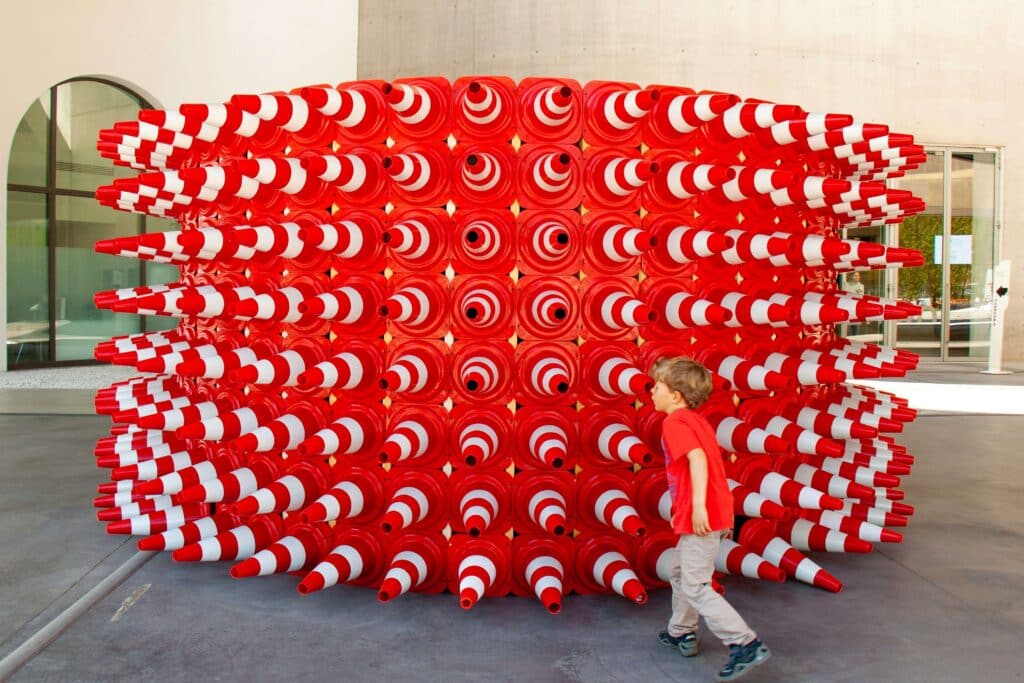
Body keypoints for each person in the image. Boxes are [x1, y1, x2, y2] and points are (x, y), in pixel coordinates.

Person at [650, 356, 771, 682]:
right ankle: (681, 631)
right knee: (679, 570)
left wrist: (698, 507)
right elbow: (711, 467)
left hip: (700, 518)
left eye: (657, 387)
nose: (651, 392)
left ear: (675, 395)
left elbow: (698, 459)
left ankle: (744, 643)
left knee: (696, 585)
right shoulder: (698, 421)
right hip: (715, 513)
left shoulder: (673, 423)